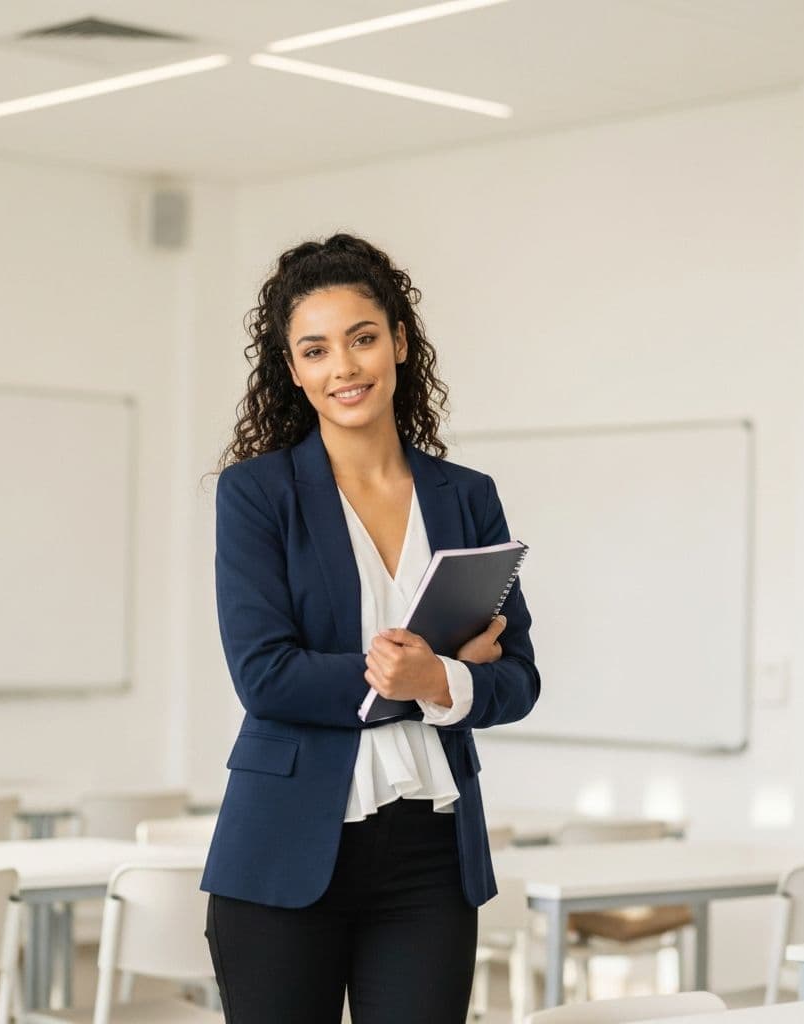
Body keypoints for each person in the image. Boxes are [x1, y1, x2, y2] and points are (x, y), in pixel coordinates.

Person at [201, 232, 540, 1023]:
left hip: (430, 856)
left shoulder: (466, 495)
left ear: (399, 342)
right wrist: (427, 678)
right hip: (283, 852)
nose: (344, 368)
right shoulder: (257, 495)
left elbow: (518, 676)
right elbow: (265, 675)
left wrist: (442, 679)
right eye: (315, 350)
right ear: (294, 370)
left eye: (361, 339)